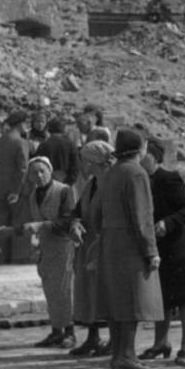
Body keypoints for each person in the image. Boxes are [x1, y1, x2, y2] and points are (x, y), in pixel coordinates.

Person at [94, 128, 162, 369]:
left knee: (116, 300)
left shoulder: (111, 173)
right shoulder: (136, 173)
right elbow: (142, 215)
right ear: (140, 148)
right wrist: (150, 250)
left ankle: (117, 355)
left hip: (110, 241)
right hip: (130, 242)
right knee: (133, 300)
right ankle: (128, 355)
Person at [0, 157, 76, 349]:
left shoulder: (63, 191)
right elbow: (30, 224)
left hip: (63, 246)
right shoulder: (33, 195)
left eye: (42, 171)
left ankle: (70, 333)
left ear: (50, 170)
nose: (39, 175)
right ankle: (56, 331)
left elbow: (67, 222)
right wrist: (10, 231)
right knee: (50, 289)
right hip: (46, 247)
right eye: (34, 173)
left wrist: (41, 225)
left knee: (64, 290)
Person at [139, 139, 185, 365]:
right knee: (160, 298)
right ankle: (161, 342)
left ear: (153, 157)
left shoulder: (169, 178)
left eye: (143, 154)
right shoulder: (141, 180)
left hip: (176, 246)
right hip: (156, 248)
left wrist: (168, 222)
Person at [67, 141, 113, 357]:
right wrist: (75, 224)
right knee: (89, 293)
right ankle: (93, 337)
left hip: (107, 243)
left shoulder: (112, 182)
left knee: (107, 292)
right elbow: (77, 211)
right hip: (88, 244)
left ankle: (115, 340)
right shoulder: (91, 184)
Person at [0, 111, 30, 264]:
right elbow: (22, 168)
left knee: (2, 220)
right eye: (26, 123)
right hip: (18, 187)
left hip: (2, 184)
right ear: (20, 124)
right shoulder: (21, 142)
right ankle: (18, 257)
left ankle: (2, 256)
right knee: (19, 220)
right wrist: (16, 190)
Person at [36, 118, 79, 186]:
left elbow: (38, 164)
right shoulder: (70, 144)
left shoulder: (44, 145)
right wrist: (70, 181)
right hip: (65, 179)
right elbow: (75, 165)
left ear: (49, 129)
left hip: (47, 178)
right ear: (63, 129)